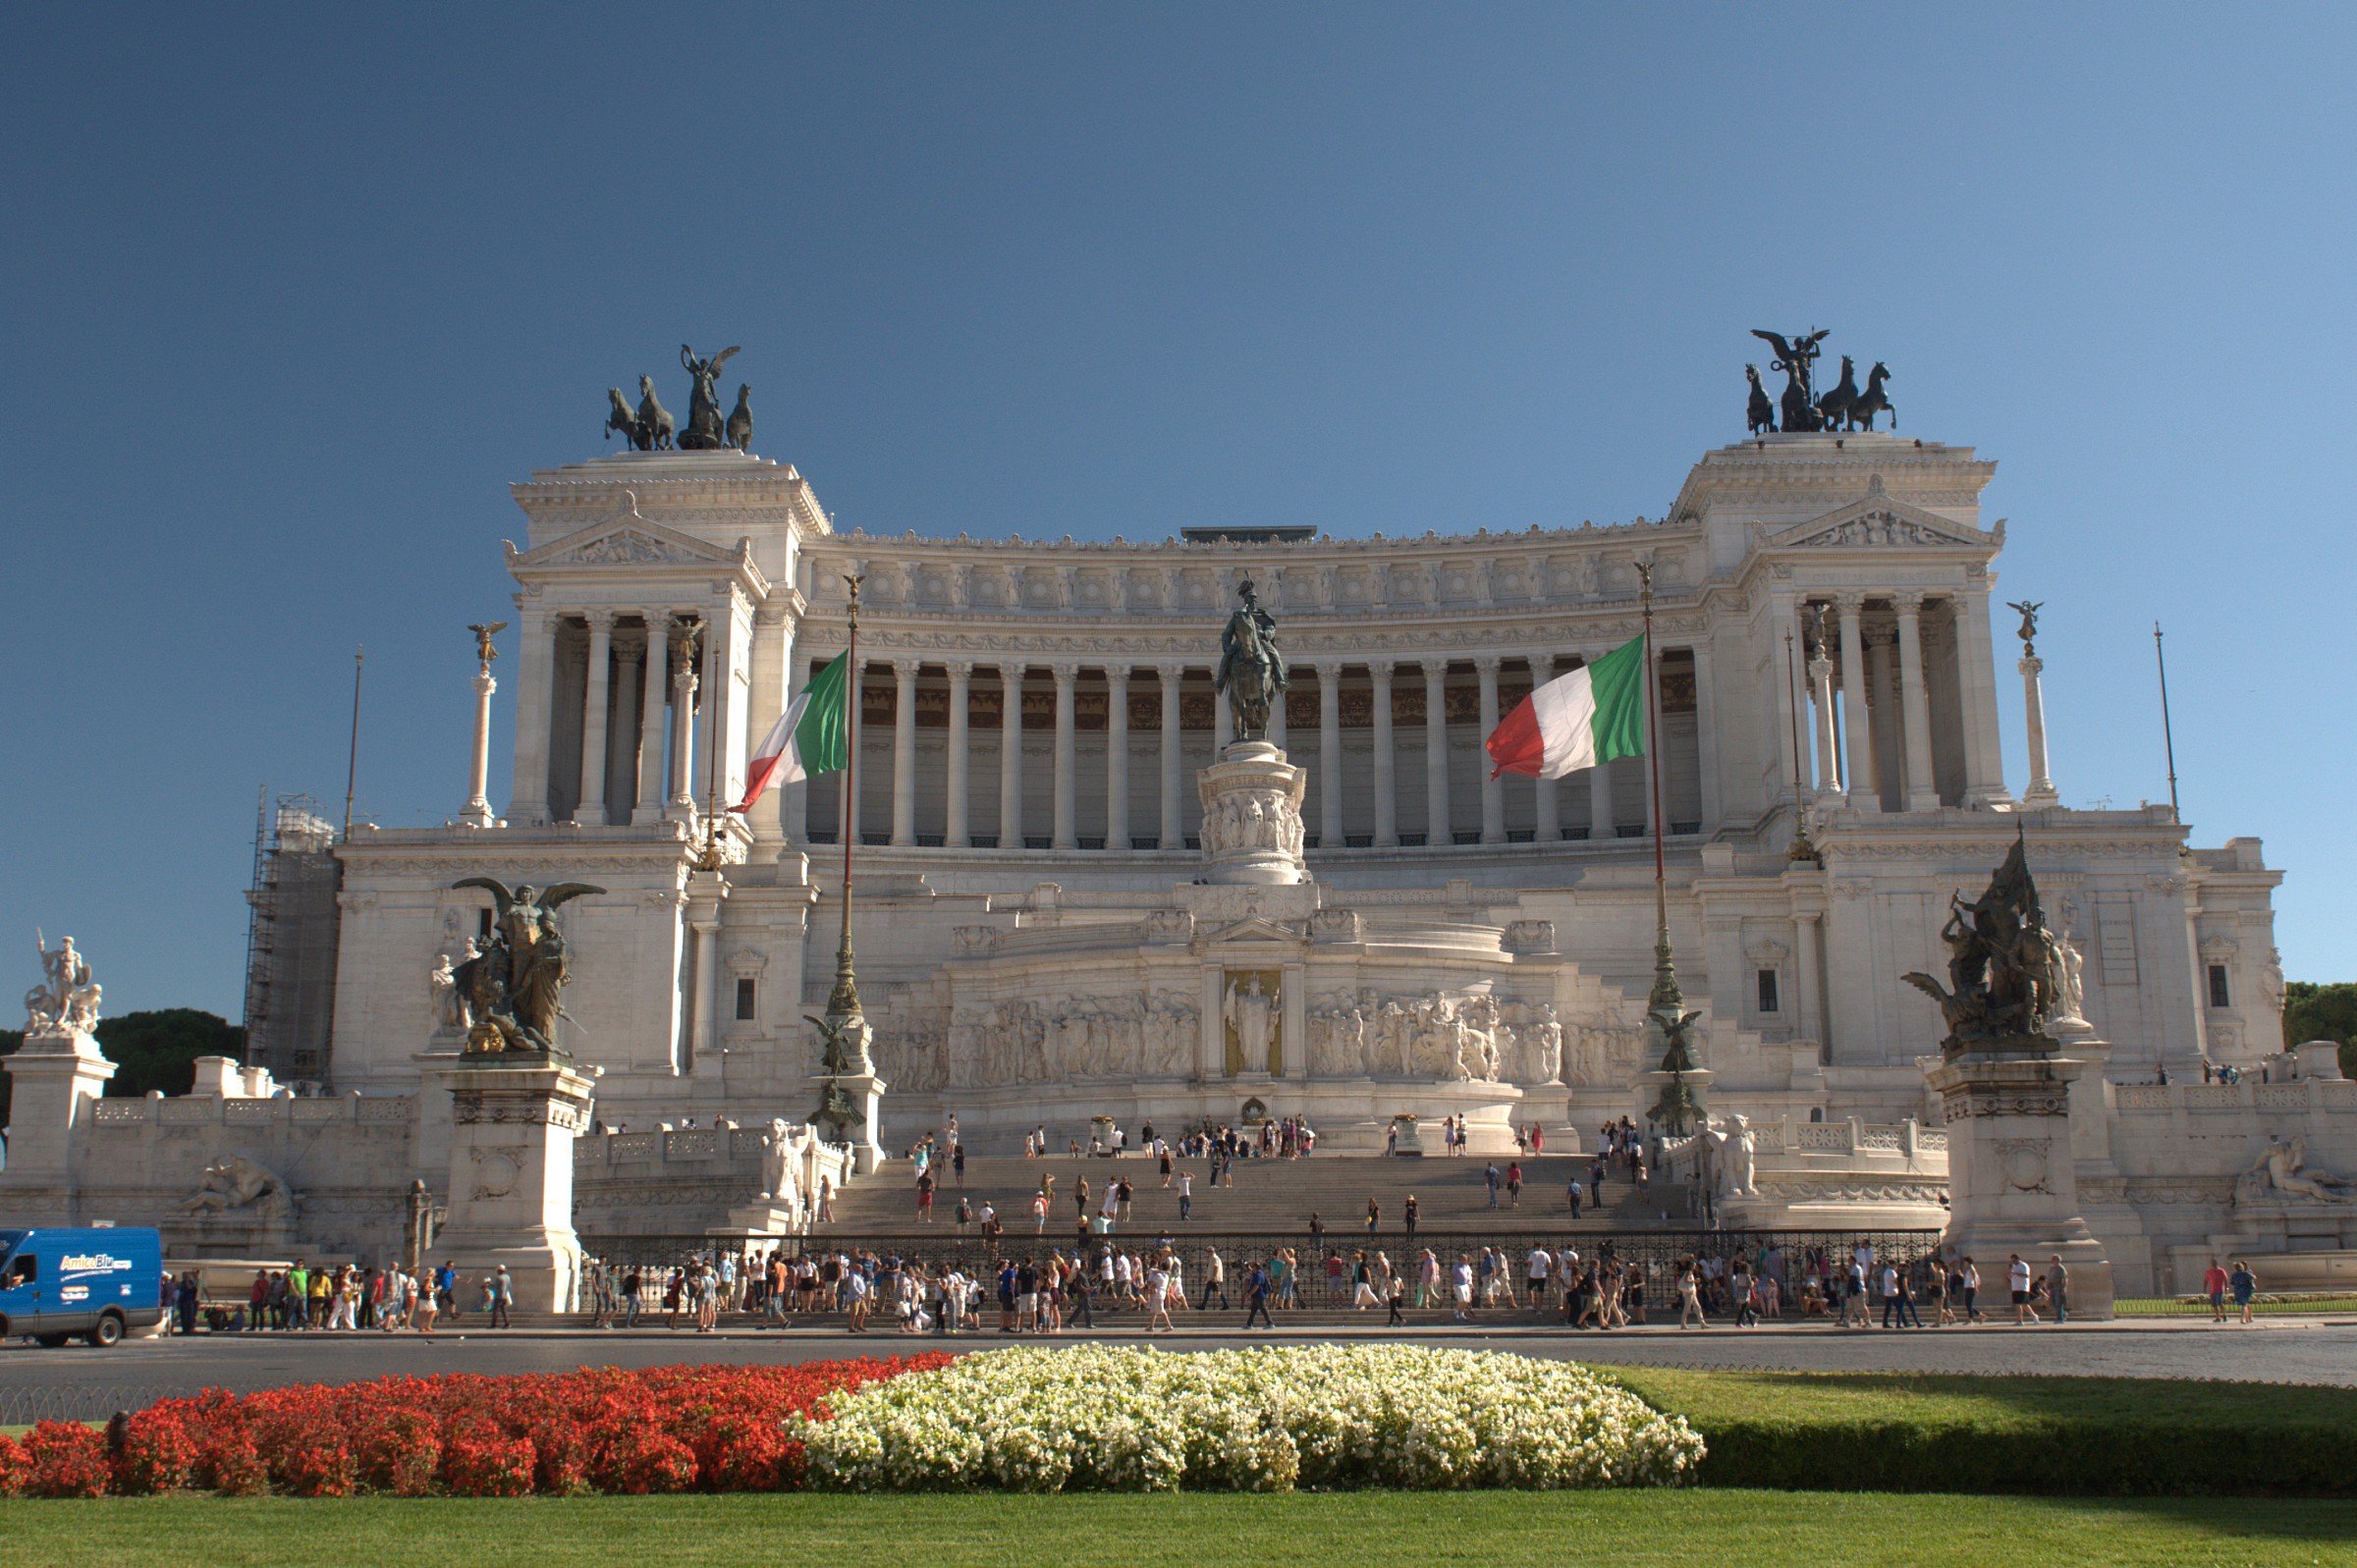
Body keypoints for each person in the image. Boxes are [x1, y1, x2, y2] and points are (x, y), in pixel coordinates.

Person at [1243, 1261, 1274, 1329]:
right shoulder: (1257, 1274)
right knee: (1253, 1310)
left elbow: (1256, 1286)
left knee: (1263, 1309)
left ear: (1255, 1267)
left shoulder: (1258, 1275)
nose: (1252, 1268)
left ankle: (1270, 1323)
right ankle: (1249, 1324)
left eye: (1252, 1267)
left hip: (1259, 1295)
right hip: (1256, 1295)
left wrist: (1249, 1294)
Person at [2008, 1254, 2037, 1325]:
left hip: (2022, 1287)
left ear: (2018, 1259)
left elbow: (2026, 1275)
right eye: (2012, 1260)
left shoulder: (2024, 1265)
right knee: (2017, 1304)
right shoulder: (2013, 1267)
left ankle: (2033, 1316)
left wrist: (2015, 1273)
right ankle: (2019, 1320)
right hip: (2015, 1288)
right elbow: (2012, 1276)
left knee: (2024, 1304)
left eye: (2014, 1260)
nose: (2013, 1262)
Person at [2230, 1259, 2258, 1325]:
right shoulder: (2245, 1273)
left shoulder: (2234, 1275)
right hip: (2245, 1290)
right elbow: (2253, 1277)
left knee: (2244, 1304)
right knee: (2244, 1304)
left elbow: (2232, 1282)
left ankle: (2247, 1318)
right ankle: (2243, 1319)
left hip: (2238, 1290)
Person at [2204, 1258, 2229, 1325]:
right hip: (2213, 1290)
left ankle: (2224, 1315)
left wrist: (2226, 1288)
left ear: (2217, 1263)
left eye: (2214, 1263)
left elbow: (2225, 1280)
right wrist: (2204, 1289)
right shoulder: (2208, 1271)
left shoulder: (2221, 1271)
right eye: (2212, 1263)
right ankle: (2217, 1317)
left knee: (2220, 1303)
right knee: (2214, 1304)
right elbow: (2206, 1280)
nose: (2213, 1264)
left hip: (2220, 1289)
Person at [2046, 1255, 2070, 1325]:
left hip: (2058, 1288)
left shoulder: (2061, 1268)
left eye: (2054, 1259)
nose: (2053, 1261)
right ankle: (2063, 1313)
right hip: (2052, 1287)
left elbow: (2065, 1279)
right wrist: (2048, 1285)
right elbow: (2049, 1277)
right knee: (2053, 1302)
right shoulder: (2051, 1268)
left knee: (2058, 1302)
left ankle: (2060, 1318)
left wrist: (2064, 1288)